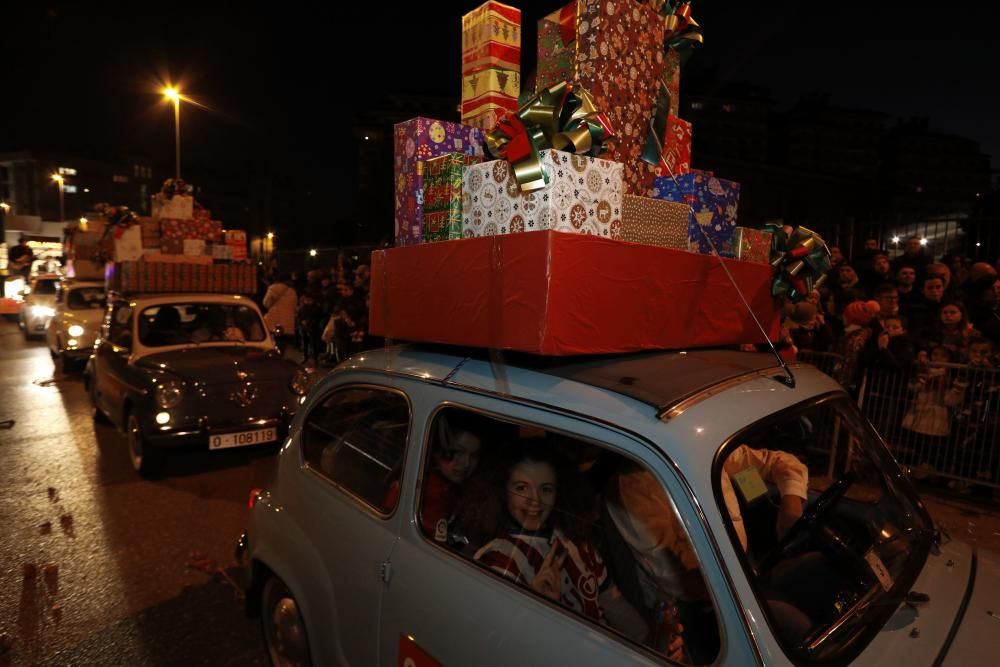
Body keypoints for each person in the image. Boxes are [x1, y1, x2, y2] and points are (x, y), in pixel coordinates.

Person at [467, 441, 664, 655]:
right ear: (502, 490)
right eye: (521, 488)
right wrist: (535, 607)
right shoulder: (495, 561)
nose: (535, 500)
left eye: (546, 489)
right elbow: (496, 649)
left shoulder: (574, 540)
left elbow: (610, 599)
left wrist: (652, 648)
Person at [384, 411, 483, 545]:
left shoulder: (456, 489)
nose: (466, 463)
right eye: (458, 452)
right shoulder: (421, 491)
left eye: (474, 455)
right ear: (437, 449)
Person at [262, 273, 297, 352]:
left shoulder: (273, 289)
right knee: (283, 341)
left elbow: (266, 303)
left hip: (273, 319)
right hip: (288, 321)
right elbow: (294, 306)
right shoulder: (292, 291)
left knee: (273, 339)